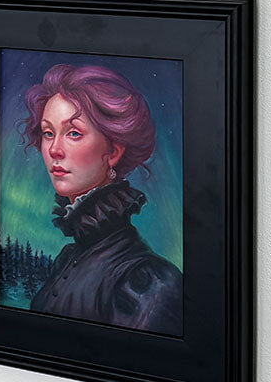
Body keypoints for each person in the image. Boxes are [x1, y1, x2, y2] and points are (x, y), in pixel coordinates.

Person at [20, 64, 182, 335]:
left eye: (73, 133)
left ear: (114, 152)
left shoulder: (148, 282)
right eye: (48, 133)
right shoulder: (67, 259)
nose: (54, 149)